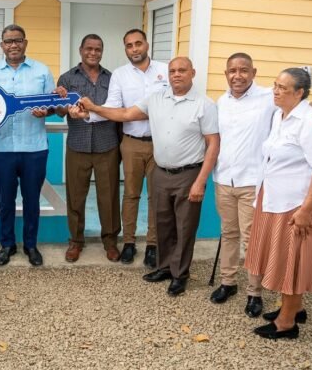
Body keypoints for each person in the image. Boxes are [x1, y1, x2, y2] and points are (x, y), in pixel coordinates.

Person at [76, 57, 219, 296]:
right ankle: (164, 267)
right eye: (172, 71)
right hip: (161, 172)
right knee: (163, 224)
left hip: (188, 174)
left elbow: (213, 143)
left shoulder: (205, 105)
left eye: (182, 70)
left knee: (184, 227)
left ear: (193, 73)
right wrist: (93, 108)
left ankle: (179, 275)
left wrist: (201, 181)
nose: (176, 74)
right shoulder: (156, 99)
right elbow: (125, 114)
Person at [210, 53, 312, 317]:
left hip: (253, 181)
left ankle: (254, 293)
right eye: (232, 71)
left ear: (253, 73)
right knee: (229, 233)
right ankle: (228, 282)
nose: (237, 75)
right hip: (224, 178)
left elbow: (304, 104)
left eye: (243, 70)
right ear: (226, 74)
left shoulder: (268, 97)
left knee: (252, 239)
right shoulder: (221, 102)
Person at [245, 67, 312, 340]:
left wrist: (306, 211)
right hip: (277, 198)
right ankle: (295, 309)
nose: (275, 91)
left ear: (299, 93)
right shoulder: (280, 114)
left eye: (283, 88)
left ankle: (286, 324)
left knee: (292, 260)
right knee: (284, 256)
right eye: (275, 85)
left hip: (300, 203)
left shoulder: (311, 123)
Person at [83, 29, 168, 267]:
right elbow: (113, 106)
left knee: (156, 196)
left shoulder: (165, 71)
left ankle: (152, 244)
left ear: (147, 44)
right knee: (130, 195)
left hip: (161, 143)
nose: (134, 49)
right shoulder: (120, 75)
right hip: (131, 143)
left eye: (138, 43)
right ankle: (129, 242)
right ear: (125, 49)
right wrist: (89, 114)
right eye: (129, 45)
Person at [0, 24, 64, 267]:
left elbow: (53, 104)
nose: (13, 45)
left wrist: (47, 111)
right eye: (8, 41)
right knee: (5, 200)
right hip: (1, 148)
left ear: (25, 43)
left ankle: (31, 245)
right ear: (2, 45)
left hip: (34, 148)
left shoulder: (42, 71)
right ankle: (7, 245)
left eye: (18, 40)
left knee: (32, 200)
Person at [56, 34, 121, 263]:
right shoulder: (67, 78)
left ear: (102, 51)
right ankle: (76, 241)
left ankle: (110, 241)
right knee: (75, 197)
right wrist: (64, 104)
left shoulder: (112, 79)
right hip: (78, 145)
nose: (93, 53)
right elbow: (59, 111)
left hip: (107, 145)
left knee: (109, 197)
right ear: (80, 50)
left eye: (97, 49)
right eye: (89, 48)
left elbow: (117, 109)